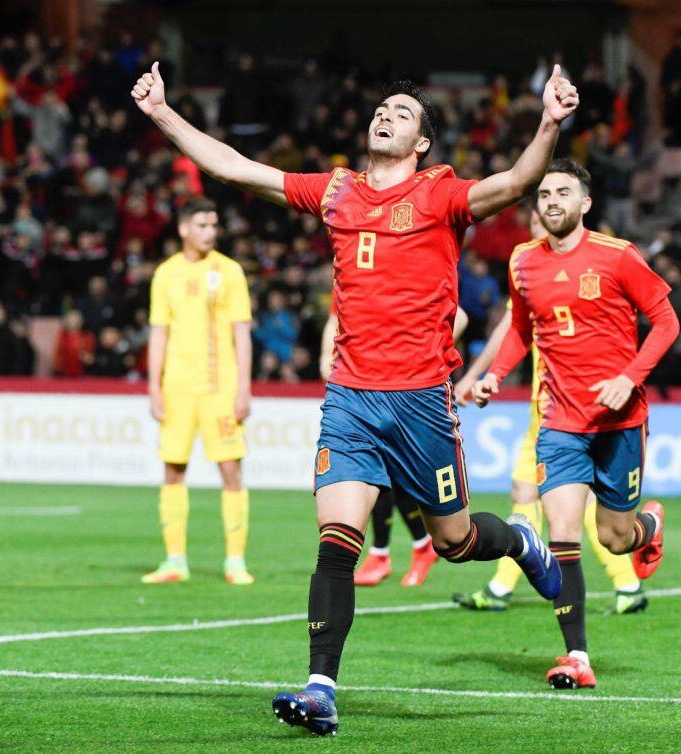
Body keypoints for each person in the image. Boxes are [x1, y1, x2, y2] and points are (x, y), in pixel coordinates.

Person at [133, 61, 577, 733]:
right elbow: (235, 169)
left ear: (422, 142)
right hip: (351, 399)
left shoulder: (441, 193)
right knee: (336, 538)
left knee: (455, 542)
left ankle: (518, 542)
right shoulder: (337, 190)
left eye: (402, 113)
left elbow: (515, 183)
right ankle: (320, 688)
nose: (386, 116)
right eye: (382, 109)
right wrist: (163, 113)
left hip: (423, 401)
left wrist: (548, 121)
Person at [473, 160, 679, 689]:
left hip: (619, 422)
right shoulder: (522, 261)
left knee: (613, 538)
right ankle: (577, 657)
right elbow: (521, 328)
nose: (551, 200)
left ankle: (648, 528)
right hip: (559, 422)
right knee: (563, 535)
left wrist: (631, 377)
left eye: (563, 192)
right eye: (543, 193)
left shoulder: (618, 256)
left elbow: (666, 321)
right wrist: (496, 375)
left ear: (585, 203)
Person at [452, 208, 648, 615]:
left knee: (561, 506)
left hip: (567, 411)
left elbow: (510, 328)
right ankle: (617, 585)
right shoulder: (532, 271)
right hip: (546, 406)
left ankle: (620, 582)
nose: (540, 228)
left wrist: (475, 375)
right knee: (536, 497)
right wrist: (482, 375)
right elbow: (516, 328)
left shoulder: (577, 271)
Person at [145, 197, 255, 585]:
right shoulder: (165, 274)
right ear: (184, 229)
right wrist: (153, 387)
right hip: (176, 387)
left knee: (231, 470)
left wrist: (243, 387)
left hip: (219, 387)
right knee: (173, 470)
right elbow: (159, 333)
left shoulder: (230, 271)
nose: (210, 231)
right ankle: (175, 560)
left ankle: (235, 561)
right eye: (203, 225)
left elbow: (242, 333)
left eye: (214, 225)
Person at [319, 307, 469, 588]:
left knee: (400, 481)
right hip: (362, 387)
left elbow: (458, 316)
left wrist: (425, 356)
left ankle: (405, 548)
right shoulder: (355, 269)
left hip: (412, 392)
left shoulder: (418, 273)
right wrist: (326, 356)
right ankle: (387, 551)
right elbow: (336, 316)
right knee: (375, 475)